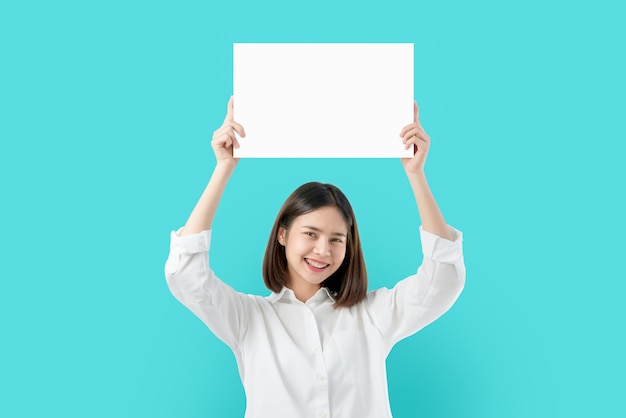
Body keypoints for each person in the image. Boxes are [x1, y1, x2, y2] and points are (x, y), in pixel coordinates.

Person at [164, 97, 465, 418]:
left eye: (337, 239)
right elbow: (186, 274)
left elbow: (443, 278)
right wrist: (224, 167)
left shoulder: (374, 314)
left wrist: (416, 174)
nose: (323, 250)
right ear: (282, 234)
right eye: (310, 233)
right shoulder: (248, 319)